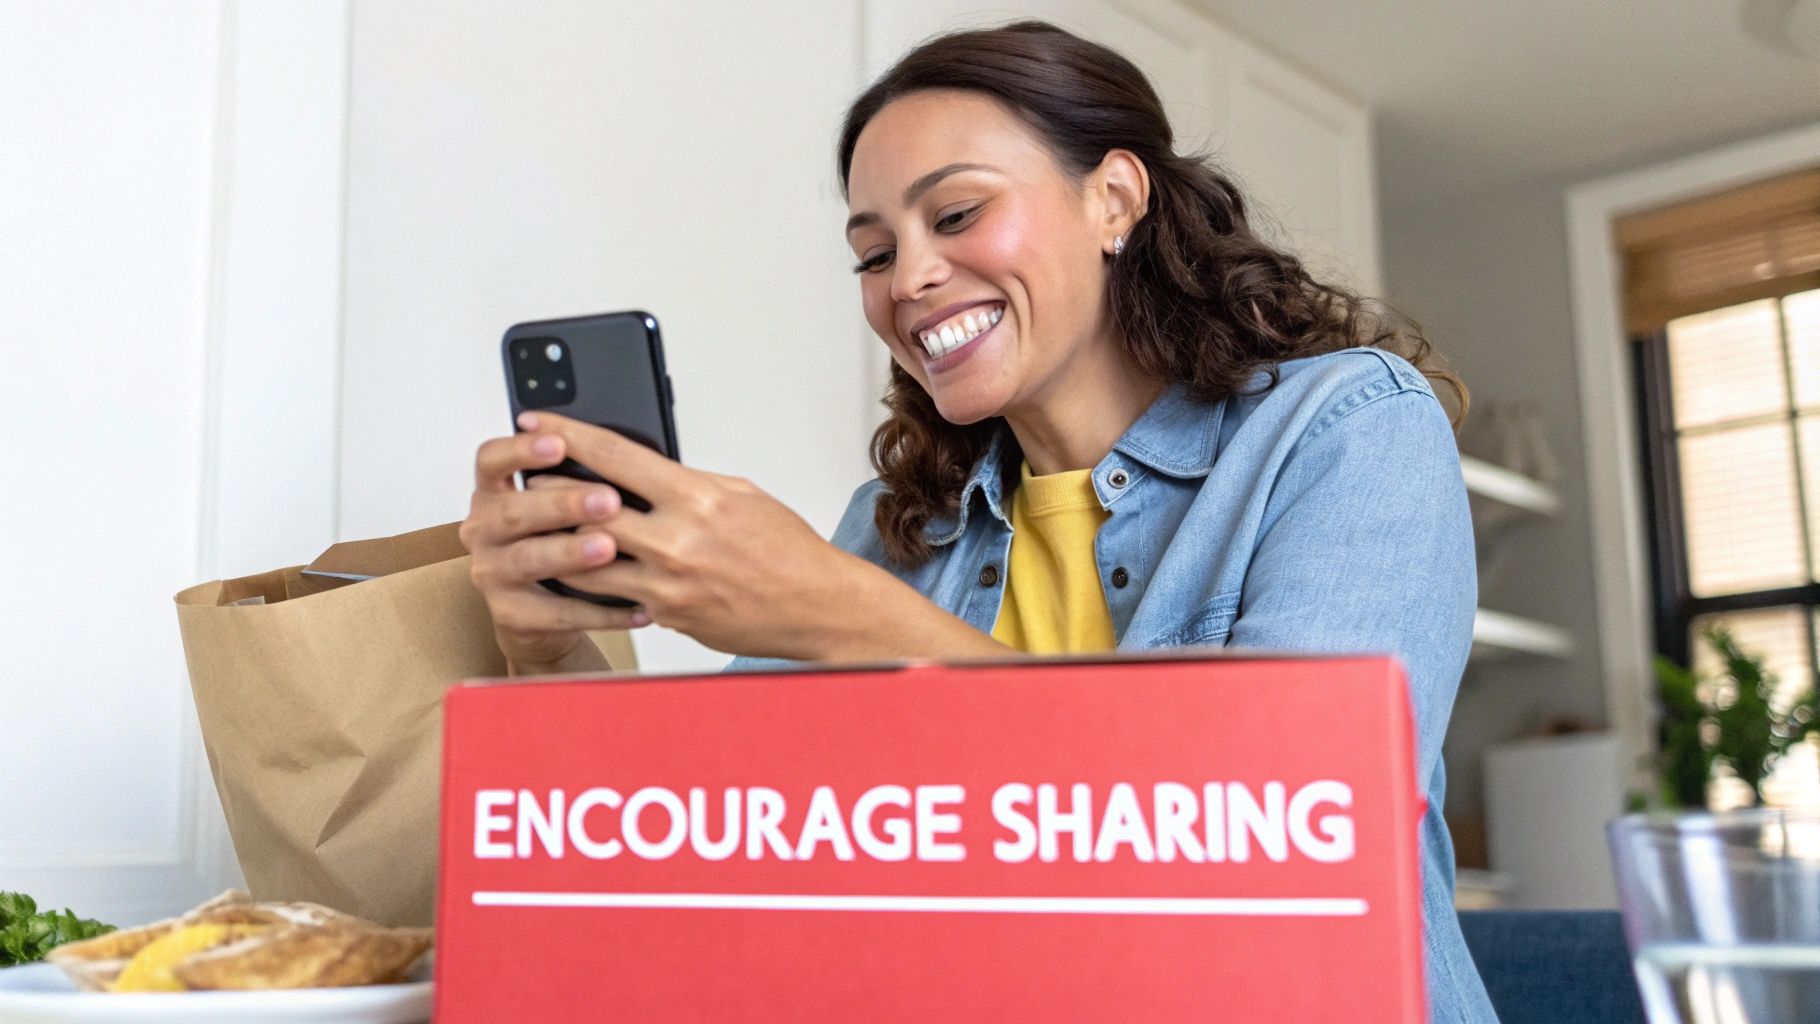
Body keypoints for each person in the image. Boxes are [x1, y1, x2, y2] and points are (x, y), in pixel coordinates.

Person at [460, 20, 1497, 1021]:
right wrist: (543, 651)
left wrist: (850, 620)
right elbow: (692, 860)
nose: (906, 279)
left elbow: (1292, 832)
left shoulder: (1344, 432)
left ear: (1114, 200)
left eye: (953, 216)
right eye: (872, 253)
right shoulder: (895, 527)